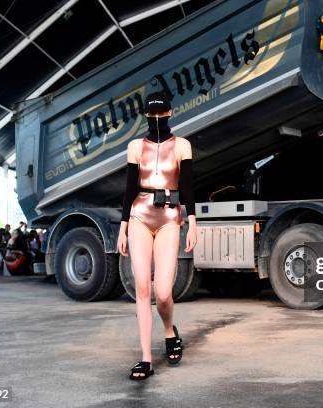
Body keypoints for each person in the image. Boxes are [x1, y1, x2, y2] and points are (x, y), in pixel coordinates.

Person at [117, 91, 197, 380]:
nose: (156, 119)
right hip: (139, 214)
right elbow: (128, 188)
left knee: (163, 292)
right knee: (142, 288)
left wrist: (193, 222)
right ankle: (146, 359)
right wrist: (123, 227)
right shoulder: (135, 146)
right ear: (146, 116)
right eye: (151, 115)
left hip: (169, 218)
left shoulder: (183, 146)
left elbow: (187, 185)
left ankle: (168, 331)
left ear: (170, 113)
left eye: (161, 114)